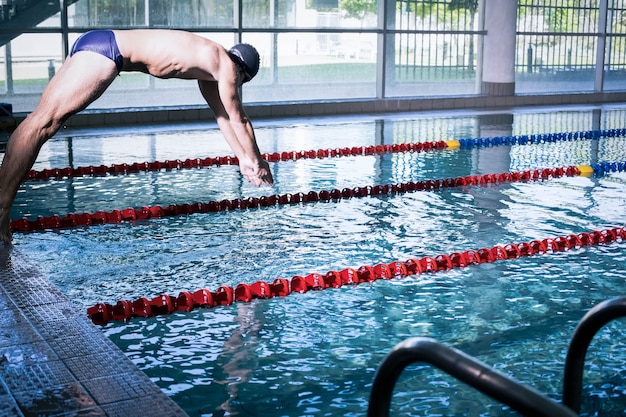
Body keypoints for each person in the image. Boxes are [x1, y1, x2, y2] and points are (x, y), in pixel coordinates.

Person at [0, 29, 274, 243]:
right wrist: (259, 162)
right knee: (43, 124)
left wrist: (243, 159)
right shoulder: (226, 65)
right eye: (242, 82)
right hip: (108, 53)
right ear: (243, 72)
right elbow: (240, 118)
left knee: (38, 121)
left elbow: (224, 118)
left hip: (99, 42)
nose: (237, 86)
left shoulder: (211, 65)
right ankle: (1, 208)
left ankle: (2, 210)